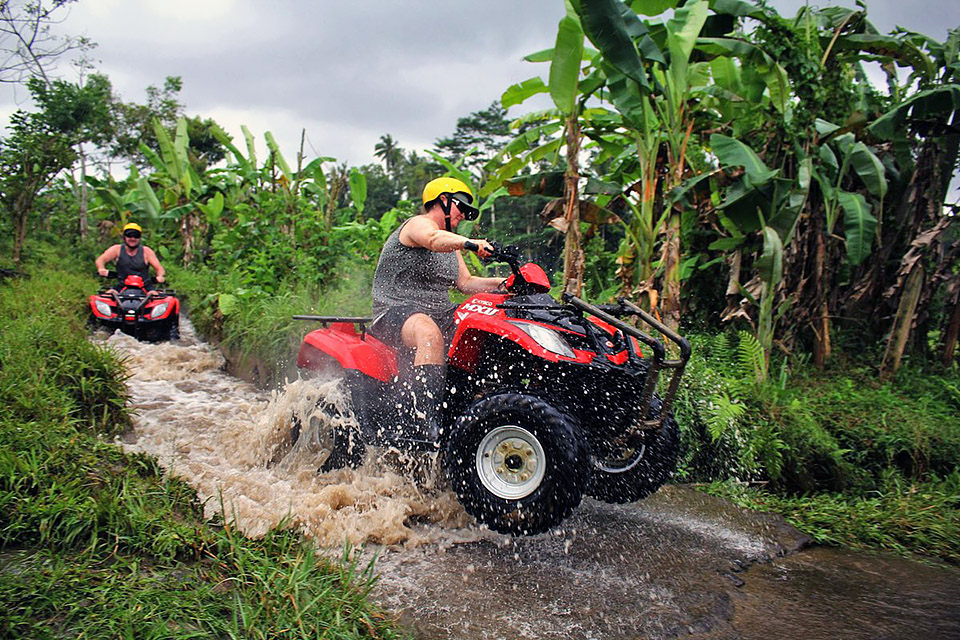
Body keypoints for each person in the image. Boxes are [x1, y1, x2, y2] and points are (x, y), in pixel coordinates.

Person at [370, 176, 504, 443]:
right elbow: (432, 239)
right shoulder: (419, 225)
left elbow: (466, 283)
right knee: (429, 333)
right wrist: (470, 243)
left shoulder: (452, 245)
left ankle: (471, 407)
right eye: (461, 207)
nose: (463, 215)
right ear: (443, 200)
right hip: (396, 310)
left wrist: (506, 284)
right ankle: (422, 420)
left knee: (483, 329)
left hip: (440, 312)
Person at [95, 222, 166, 295]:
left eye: (136, 236)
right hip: (122, 285)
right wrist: (101, 268)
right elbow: (100, 260)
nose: (132, 238)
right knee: (108, 295)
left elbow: (159, 268)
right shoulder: (116, 249)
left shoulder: (146, 251)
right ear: (124, 237)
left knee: (154, 295)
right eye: (129, 235)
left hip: (145, 286)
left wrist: (160, 276)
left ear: (139, 238)